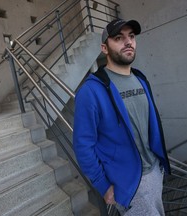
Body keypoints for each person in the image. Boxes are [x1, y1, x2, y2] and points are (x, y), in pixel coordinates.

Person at [73, 18, 171, 216]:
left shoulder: (141, 79)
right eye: (118, 38)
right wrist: (103, 186)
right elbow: (83, 145)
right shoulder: (90, 92)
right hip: (128, 182)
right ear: (104, 48)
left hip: (155, 169)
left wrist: (159, 164)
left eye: (132, 36)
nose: (128, 42)